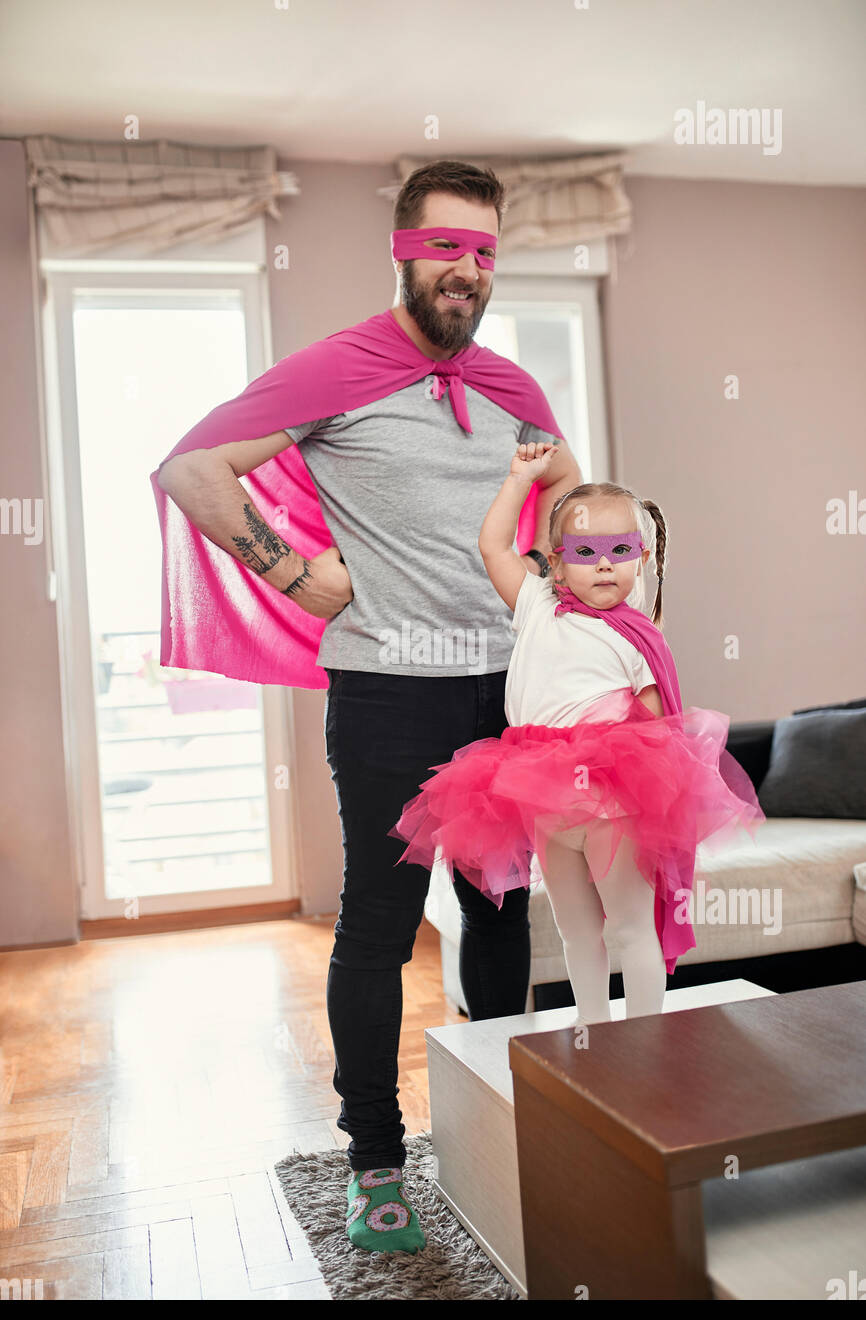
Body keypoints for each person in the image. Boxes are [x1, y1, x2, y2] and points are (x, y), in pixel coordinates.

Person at [153, 159, 584, 1254]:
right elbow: (195, 469)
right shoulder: (339, 369)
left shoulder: (514, 392)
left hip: (504, 696)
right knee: (379, 933)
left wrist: (572, 591)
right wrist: (295, 574)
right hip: (388, 694)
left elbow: (571, 509)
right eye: (445, 246)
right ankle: (376, 1161)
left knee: (495, 918)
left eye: (484, 252)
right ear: (402, 250)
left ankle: (497, 1121)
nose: (466, 270)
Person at [390, 443, 767, 1026]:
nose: (604, 564)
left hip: (610, 800)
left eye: (620, 550)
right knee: (574, 926)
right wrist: (520, 480)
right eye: (585, 552)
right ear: (558, 563)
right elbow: (492, 545)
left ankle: (645, 1038)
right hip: (539, 793)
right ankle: (592, 1027)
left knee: (630, 923)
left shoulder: (637, 636)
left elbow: (656, 729)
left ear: (641, 560)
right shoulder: (536, 603)